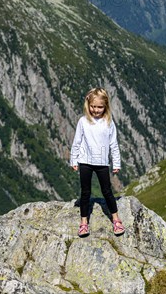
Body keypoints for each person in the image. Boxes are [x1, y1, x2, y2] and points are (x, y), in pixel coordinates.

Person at [70, 87, 125, 237]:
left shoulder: (109, 122)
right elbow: (77, 141)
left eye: (99, 107)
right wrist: (74, 160)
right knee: (85, 192)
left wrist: (117, 163)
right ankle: (83, 223)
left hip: (102, 162)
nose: (95, 110)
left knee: (107, 191)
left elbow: (113, 144)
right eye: (93, 106)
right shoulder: (83, 121)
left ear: (105, 106)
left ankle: (116, 219)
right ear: (88, 105)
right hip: (85, 161)